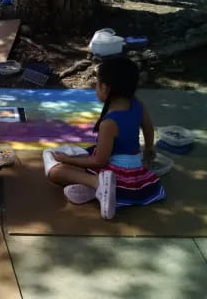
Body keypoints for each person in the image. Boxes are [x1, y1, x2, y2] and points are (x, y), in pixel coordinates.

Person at [44, 58, 166, 220]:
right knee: (80, 156)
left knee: (55, 171)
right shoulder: (137, 104)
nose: (95, 87)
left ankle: (97, 184)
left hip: (118, 177)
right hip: (136, 173)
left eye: (97, 83)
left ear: (105, 88)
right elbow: (148, 128)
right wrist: (149, 149)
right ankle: (96, 191)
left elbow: (99, 161)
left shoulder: (109, 123)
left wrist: (68, 160)